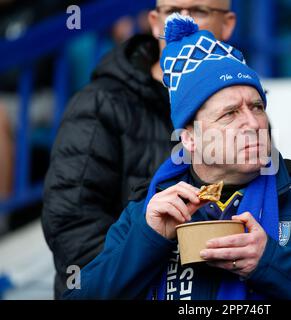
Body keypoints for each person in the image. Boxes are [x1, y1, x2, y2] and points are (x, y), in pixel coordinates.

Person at [63, 14, 291, 300]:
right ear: (189, 138)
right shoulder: (147, 214)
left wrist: (271, 263)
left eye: (257, 107)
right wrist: (147, 242)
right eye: (230, 113)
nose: (252, 123)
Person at [42, 0, 237, 299]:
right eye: (172, 12)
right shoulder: (99, 104)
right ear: (155, 22)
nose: (181, 22)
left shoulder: (242, 104)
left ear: (227, 25)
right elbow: (72, 227)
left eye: (199, 11)